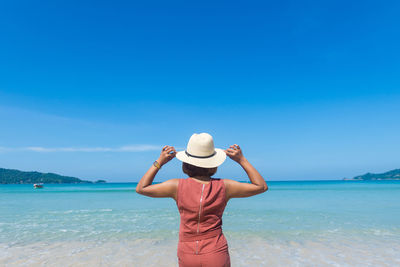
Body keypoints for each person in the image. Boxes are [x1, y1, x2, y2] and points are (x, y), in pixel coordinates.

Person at [136, 133, 268, 267]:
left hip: (187, 252)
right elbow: (261, 186)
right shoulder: (225, 186)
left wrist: (159, 162)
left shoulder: (176, 186)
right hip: (216, 251)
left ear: (186, 164)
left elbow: (141, 188)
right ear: (213, 163)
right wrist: (241, 160)